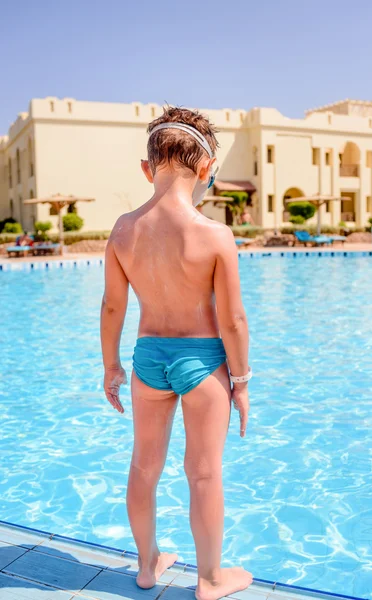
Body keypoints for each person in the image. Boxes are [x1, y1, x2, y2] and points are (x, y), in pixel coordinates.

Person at [100, 106, 252, 600]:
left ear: (146, 169)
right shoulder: (214, 236)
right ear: (207, 169)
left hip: (147, 358)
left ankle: (147, 565)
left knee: (144, 466)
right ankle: (209, 580)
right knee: (204, 472)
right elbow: (232, 321)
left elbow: (111, 308)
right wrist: (243, 382)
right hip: (203, 361)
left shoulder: (123, 230)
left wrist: (111, 366)